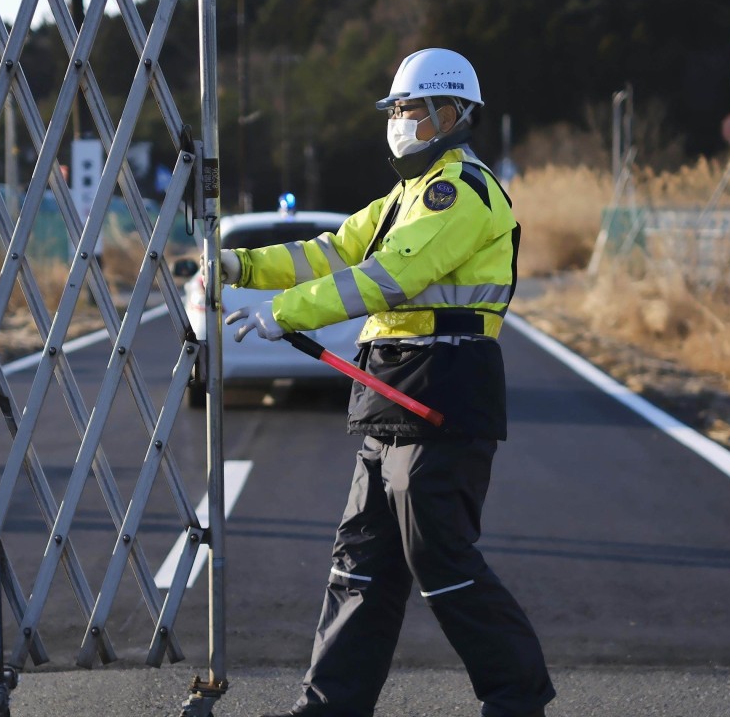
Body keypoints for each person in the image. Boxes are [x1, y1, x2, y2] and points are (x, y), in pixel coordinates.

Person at [217, 48, 555, 717]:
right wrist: (240, 267)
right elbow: (332, 251)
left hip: (443, 389)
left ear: (449, 114)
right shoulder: (404, 197)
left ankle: (518, 699)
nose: (397, 120)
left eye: (408, 108)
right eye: (394, 108)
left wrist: (284, 313)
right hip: (391, 391)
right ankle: (329, 707)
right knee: (360, 563)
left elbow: (389, 277)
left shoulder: (459, 193)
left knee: (441, 559)